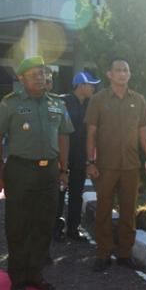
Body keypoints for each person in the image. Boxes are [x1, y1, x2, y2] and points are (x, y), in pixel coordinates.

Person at [0, 56, 73, 290]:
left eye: (43, 73)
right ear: (22, 78)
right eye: (34, 74)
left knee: (44, 223)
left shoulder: (57, 103)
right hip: (20, 170)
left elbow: (64, 136)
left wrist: (64, 170)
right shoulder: (11, 103)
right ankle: (17, 275)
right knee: (18, 223)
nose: (40, 78)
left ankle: (35, 272)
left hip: (49, 171)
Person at [85, 59, 146, 272]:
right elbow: (91, 133)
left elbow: (143, 131)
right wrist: (91, 161)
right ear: (109, 74)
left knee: (128, 212)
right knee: (103, 211)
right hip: (105, 165)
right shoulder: (98, 99)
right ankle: (103, 253)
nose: (122, 73)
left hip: (131, 166)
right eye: (118, 70)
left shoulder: (138, 100)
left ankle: (125, 254)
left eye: (126, 70)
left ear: (129, 74)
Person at [54, 71, 101, 242]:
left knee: (76, 193)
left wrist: (91, 158)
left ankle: (73, 229)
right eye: (91, 85)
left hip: (80, 156)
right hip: (62, 154)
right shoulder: (62, 101)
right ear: (81, 86)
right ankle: (56, 228)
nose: (93, 88)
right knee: (59, 192)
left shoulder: (91, 104)